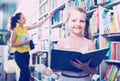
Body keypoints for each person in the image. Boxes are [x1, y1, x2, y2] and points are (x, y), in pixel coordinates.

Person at [55, 6, 97, 81]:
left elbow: (94, 70)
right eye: (74, 20)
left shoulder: (90, 44)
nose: (78, 24)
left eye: (81, 21)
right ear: (67, 22)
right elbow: (54, 69)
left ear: (85, 24)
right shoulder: (61, 43)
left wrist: (85, 67)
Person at [10, 12, 53, 81]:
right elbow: (12, 44)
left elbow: (38, 25)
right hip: (19, 55)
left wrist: (48, 17)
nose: (25, 19)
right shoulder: (15, 30)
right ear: (18, 21)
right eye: (23, 18)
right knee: (26, 73)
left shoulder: (25, 28)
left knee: (23, 73)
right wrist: (23, 43)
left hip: (26, 54)